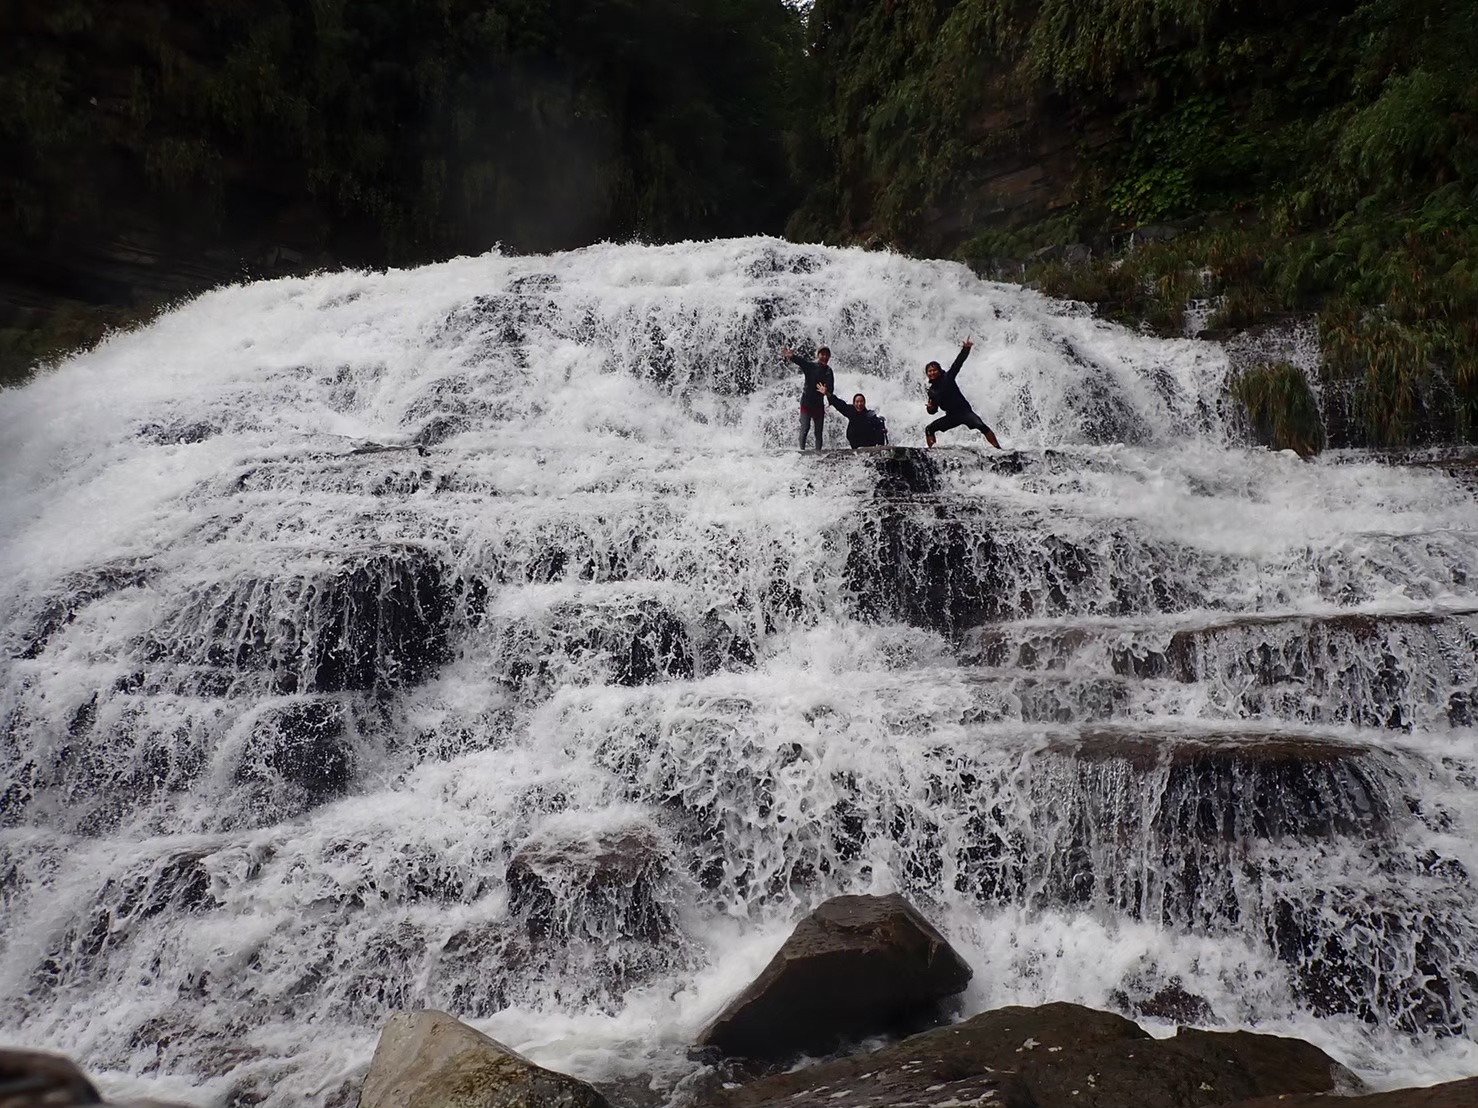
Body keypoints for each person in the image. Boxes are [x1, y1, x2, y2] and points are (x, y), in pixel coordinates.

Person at [924, 338, 1002, 448]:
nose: (932, 372)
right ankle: (932, 453)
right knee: (929, 429)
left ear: (939, 370)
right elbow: (933, 410)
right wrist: (930, 408)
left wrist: (966, 349)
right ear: (927, 374)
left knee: (981, 426)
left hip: (964, 412)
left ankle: (998, 449)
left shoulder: (948, 377)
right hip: (951, 416)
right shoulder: (932, 391)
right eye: (929, 371)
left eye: (934, 370)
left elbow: (958, 363)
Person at [780, 345, 835, 450]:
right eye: (822, 354)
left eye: (827, 355)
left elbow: (831, 389)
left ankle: (818, 453)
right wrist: (791, 357)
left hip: (819, 405)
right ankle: (802, 451)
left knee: (818, 432)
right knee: (805, 428)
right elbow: (801, 362)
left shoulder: (828, 371)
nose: (824, 357)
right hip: (806, 403)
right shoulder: (811, 366)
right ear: (818, 355)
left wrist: (826, 392)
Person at [818, 383, 887, 448]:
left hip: (868, 445)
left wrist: (882, 430)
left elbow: (878, 426)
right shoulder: (851, 411)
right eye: (857, 402)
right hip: (855, 445)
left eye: (861, 401)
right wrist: (827, 393)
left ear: (864, 403)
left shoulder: (870, 415)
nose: (859, 404)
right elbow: (838, 403)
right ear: (854, 403)